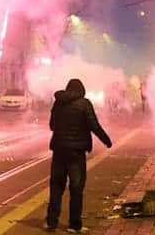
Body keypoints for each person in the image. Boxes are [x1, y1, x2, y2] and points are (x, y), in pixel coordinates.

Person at [45, 78, 112, 233]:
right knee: (76, 188)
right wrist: (106, 141)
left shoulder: (58, 103)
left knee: (56, 187)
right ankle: (74, 225)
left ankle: (51, 222)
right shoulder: (84, 104)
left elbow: (52, 126)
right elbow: (94, 126)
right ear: (81, 90)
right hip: (76, 153)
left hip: (59, 150)